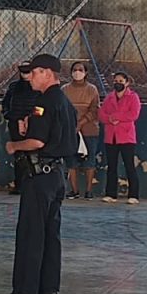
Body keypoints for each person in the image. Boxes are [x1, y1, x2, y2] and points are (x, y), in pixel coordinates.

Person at [0, 53, 76, 294]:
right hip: (57, 174)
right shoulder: (65, 101)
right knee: (50, 235)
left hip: (40, 175)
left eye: (34, 72)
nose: (29, 77)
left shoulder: (44, 102)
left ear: (47, 73)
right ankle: (48, 290)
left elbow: (38, 141)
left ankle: (25, 292)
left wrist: (14, 145)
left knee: (31, 233)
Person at [99, 71, 141, 204]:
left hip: (126, 137)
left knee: (129, 166)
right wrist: (110, 119)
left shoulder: (133, 97)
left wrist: (117, 117)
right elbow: (101, 114)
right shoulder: (109, 98)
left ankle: (133, 195)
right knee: (111, 166)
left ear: (127, 83)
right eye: (116, 81)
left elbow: (133, 114)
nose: (118, 83)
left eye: (121, 81)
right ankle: (111, 194)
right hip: (111, 137)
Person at [64, 61, 100, 200]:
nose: (77, 72)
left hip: (89, 130)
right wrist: (72, 125)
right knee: (71, 161)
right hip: (70, 130)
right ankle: (74, 190)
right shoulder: (65, 89)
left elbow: (94, 109)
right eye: (74, 69)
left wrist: (81, 123)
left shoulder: (92, 89)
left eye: (80, 69)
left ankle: (89, 191)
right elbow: (62, 109)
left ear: (86, 73)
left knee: (89, 161)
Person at [2, 61, 39, 195]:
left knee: (33, 154)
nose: (26, 74)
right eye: (23, 71)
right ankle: (20, 185)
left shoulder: (38, 87)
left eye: (28, 71)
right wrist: (13, 117)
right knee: (19, 155)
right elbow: (6, 104)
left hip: (34, 125)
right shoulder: (14, 87)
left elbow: (41, 107)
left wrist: (30, 119)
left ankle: (34, 184)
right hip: (15, 124)